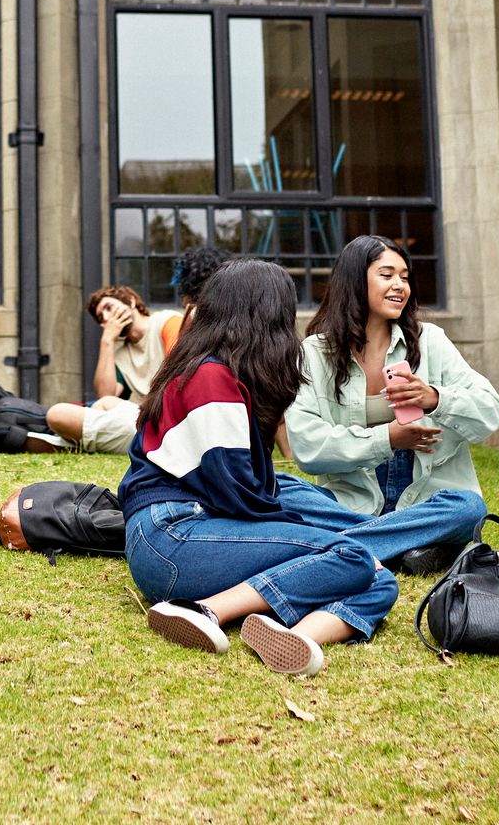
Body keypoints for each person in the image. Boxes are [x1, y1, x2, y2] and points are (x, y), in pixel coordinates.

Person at [122, 259, 404, 676]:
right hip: (173, 538)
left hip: (189, 535)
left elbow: (251, 490)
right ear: (267, 316)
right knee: (351, 555)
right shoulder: (209, 378)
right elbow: (240, 496)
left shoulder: (214, 371)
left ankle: (299, 636)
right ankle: (203, 610)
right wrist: (318, 538)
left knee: (379, 580)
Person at [283, 236, 499, 574]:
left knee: (468, 507)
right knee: (282, 492)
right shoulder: (313, 353)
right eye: (387, 275)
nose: (400, 286)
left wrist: (435, 398)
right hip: (351, 499)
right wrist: (388, 438)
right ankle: (408, 546)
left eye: (404, 277)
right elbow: (309, 448)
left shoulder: (430, 341)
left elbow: (492, 411)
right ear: (355, 281)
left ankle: (343, 547)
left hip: (425, 496)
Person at [44, 284, 175, 452]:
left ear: (131, 301)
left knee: (59, 415)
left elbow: (183, 367)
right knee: (93, 405)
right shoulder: (121, 356)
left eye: (108, 307)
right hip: (142, 420)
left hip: (168, 418)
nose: (106, 318)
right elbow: (105, 395)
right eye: (100, 318)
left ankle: (83, 443)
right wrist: (107, 341)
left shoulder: (166, 321)